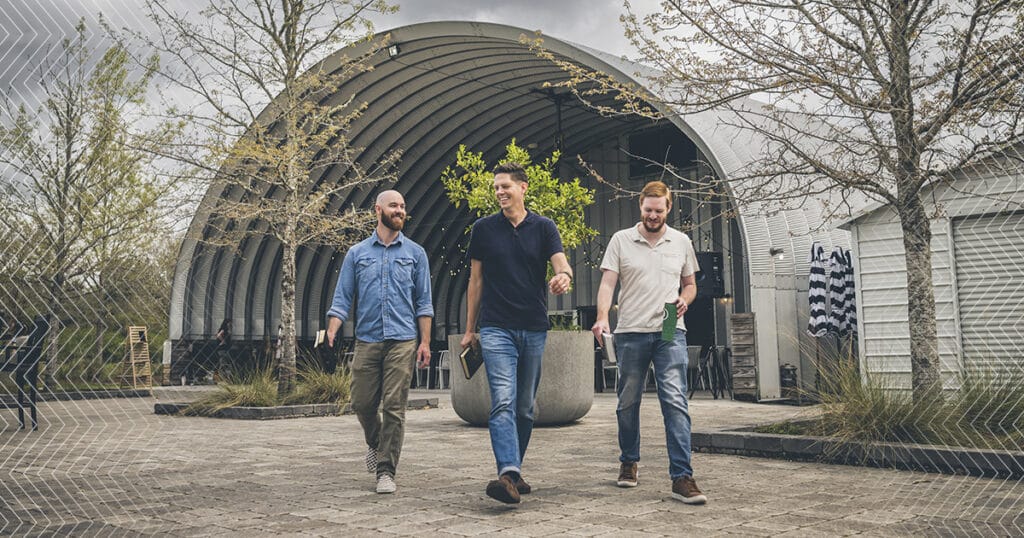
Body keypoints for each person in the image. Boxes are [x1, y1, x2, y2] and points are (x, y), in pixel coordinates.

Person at [461, 162, 573, 504]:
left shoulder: (544, 227)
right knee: (504, 402)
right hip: (496, 328)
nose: (499, 192)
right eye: (496, 187)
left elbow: (561, 263)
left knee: (525, 408)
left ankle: (514, 472)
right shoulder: (483, 229)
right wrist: (469, 330)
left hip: (534, 327)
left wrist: (564, 277)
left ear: (523, 188)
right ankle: (507, 473)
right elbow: (475, 281)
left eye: (505, 186)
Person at [591, 180, 708, 505]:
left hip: (670, 325)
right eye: (648, 210)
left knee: (674, 401)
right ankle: (629, 460)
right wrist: (602, 317)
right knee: (628, 402)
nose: (653, 215)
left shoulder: (681, 241)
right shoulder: (621, 240)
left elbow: (690, 285)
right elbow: (607, 284)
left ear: (668, 209)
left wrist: (685, 299)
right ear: (640, 207)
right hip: (630, 328)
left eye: (659, 210)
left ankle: (682, 476)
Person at [326, 190, 433, 495]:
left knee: (395, 407)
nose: (400, 210)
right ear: (378, 210)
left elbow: (424, 303)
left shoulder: (416, 254)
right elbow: (342, 297)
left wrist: (424, 342)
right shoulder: (357, 254)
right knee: (362, 402)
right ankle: (375, 443)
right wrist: (333, 326)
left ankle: (386, 470)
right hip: (368, 339)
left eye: (402, 206)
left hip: (403, 340)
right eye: (394, 206)